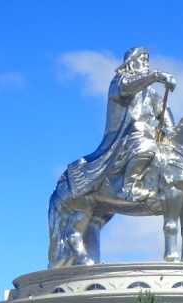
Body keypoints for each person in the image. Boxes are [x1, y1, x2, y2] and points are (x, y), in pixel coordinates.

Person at [66, 46, 176, 203]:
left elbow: (163, 111)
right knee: (146, 146)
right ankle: (129, 188)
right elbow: (127, 88)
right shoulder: (119, 81)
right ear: (131, 62)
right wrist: (156, 76)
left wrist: (171, 131)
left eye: (147, 60)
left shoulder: (150, 92)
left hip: (150, 134)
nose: (146, 63)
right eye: (142, 59)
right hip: (128, 136)